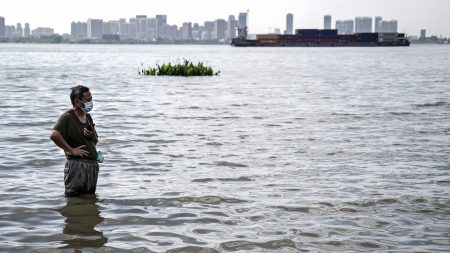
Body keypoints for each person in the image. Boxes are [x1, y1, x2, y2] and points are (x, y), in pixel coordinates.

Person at [50, 85, 99, 197]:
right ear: (77, 102)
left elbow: (95, 141)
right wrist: (71, 150)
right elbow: (54, 134)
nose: (90, 102)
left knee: (90, 201)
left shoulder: (88, 117)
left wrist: (92, 136)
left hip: (92, 167)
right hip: (77, 167)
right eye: (87, 100)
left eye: (91, 99)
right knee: (74, 198)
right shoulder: (67, 117)